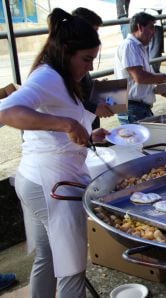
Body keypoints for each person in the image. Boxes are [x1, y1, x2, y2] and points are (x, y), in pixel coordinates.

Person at [0, 8, 108, 297]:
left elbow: (52, 129)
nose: (89, 67)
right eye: (86, 59)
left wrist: (86, 134)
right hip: (51, 185)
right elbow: (6, 111)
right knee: (71, 268)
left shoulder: (58, 76)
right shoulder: (48, 76)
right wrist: (67, 123)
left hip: (35, 179)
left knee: (47, 259)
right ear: (65, 51)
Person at [114, 12, 166, 124]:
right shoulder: (130, 45)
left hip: (138, 107)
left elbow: (140, 81)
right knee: (141, 140)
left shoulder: (138, 47)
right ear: (139, 27)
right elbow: (140, 77)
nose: (154, 32)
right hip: (133, 108)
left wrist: (158, 89)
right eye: (151, 28)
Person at [72, 7, 114, 129]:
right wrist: (94, 108)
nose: (90, 68)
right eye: (94, 30)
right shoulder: (64, 63)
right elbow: (65, 99)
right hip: (77, 128)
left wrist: (96, 87)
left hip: (87, 127)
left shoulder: (79, 54)